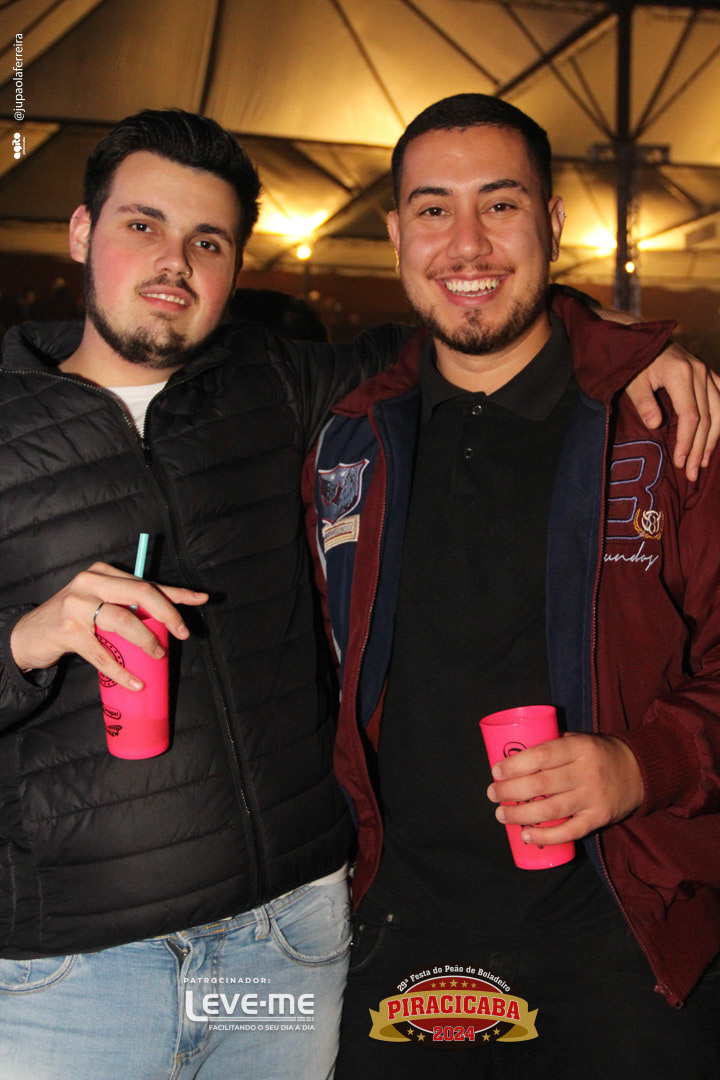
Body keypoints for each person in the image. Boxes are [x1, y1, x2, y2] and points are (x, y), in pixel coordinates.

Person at [0, 105, 714, 1080]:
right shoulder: (23, 419)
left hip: (312, 943)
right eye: (141, 224)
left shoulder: (290, 394)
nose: (174, 262)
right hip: (92, 972)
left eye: (208, 239)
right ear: (83, 231)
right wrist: (24, 641)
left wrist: (631, 346)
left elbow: (482, 306)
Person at [305, 94, 720, 1079]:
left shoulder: (668, 430)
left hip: (622, 941)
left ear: (552, 223)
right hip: (398, 942)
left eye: (500, 204)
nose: (467, 243)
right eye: (433, 209)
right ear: (396, 234)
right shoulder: (347, 439)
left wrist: (641, 764)